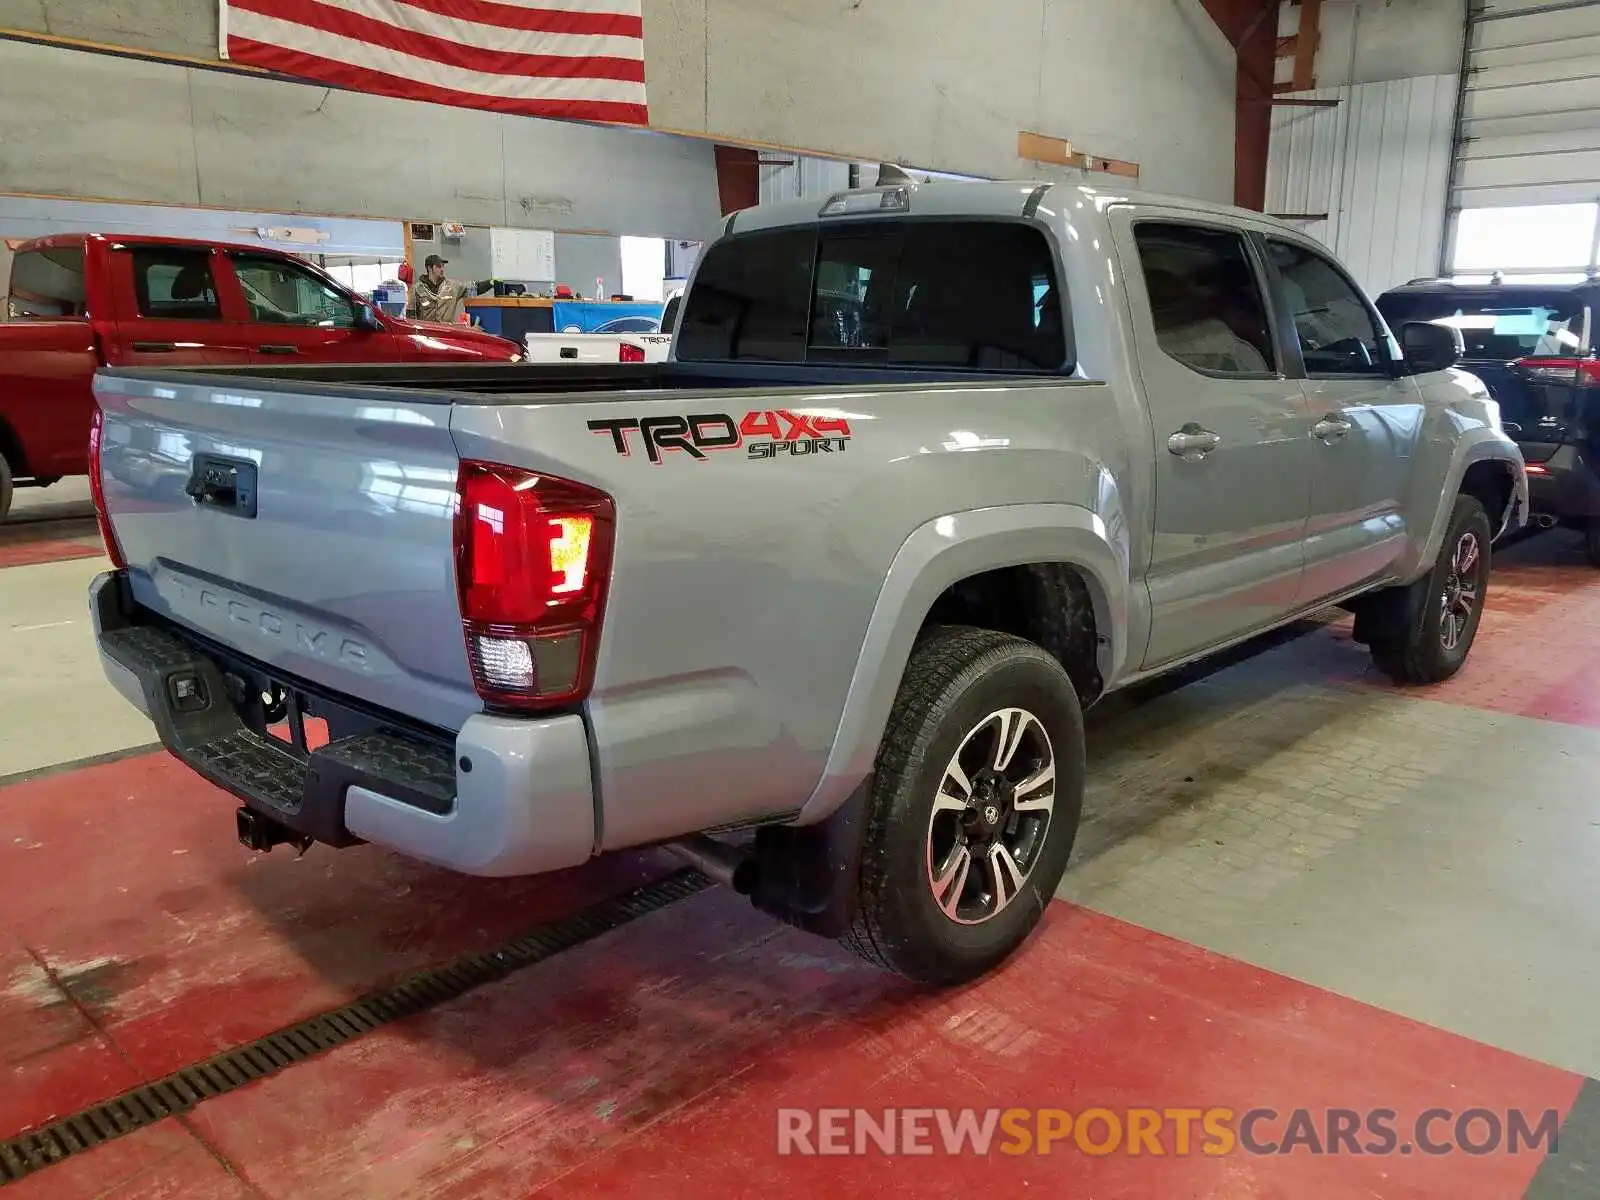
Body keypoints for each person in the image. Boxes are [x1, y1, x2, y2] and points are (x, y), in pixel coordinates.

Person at [408, 254, 473, 324]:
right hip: (427, 332)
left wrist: (487, 283)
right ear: (429, 268)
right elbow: (410, 315)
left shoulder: (452, 287)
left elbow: (474, 289)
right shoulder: (417, 289)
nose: (442, 269)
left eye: (443, 266)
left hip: (446, 331)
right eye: (438, 266)